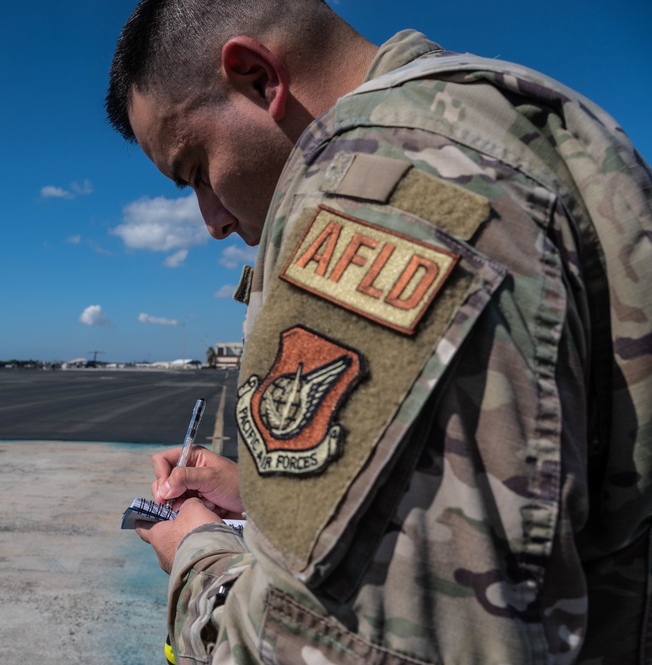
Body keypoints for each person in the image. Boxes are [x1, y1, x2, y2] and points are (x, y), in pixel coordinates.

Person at [106, 1, 652, 663]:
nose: (210, 220)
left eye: (195, 169)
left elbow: (356, 642)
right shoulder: (539, 126)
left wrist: (196, 552)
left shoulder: (376, 189)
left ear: (256, 78)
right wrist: (260, 494)